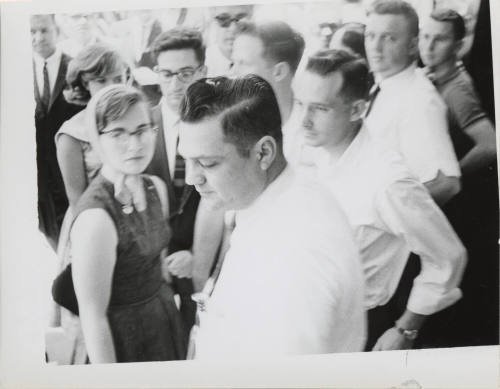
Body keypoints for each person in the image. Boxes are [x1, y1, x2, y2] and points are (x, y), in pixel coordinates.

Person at [289, 49, 466, 351]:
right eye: (300, 104)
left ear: (357, 109)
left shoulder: (388, 181)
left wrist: (405, 329)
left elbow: (448, 257)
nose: (303, 120)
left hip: (357, 328)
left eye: (319, 108)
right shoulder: (311, 151)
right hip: (305, 317)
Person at [178, 75, 366, 358]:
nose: (192, 178)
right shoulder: (264, 198)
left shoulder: (298, 256)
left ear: (263, 153)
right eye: (186, 160)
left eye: (207, 163)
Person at [70, 84, 186, 363]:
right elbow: (93, 318)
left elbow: (156, 263)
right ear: (97, 139)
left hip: (164, 318)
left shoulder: (155, 187)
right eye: (118, 133)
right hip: (124, 338)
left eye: (141, 130)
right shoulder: (96, 219)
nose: (134, 145)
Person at [418, 8, 498, 347]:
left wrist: (455, 173)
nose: (429, 46)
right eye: (425, 36)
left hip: (460, 208)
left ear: (458, 44)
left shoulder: (457, 89)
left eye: (439, 39)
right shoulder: (432, 76)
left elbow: (490, 144)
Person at [364, 0, 461, 207]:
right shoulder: (388, 84)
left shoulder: (418, 100)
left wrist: (382, 217)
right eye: (370, 36)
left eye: (389, 38)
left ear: (412, 45)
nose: (375, 46)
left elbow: (446, 183)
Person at [147, 27, 210, 332]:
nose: (174, 85)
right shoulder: (142, 126)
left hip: (200, 264)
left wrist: (199, 255)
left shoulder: (218, 124)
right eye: (166, 73)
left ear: (203, 72)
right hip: (148, 272)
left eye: (185, 74)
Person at [31, 14, 83, 248]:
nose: (38, 37)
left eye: (44, 30)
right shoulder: (15, 71)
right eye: (32, 32)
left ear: (56, 31)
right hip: (39, 181)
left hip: (72, 174)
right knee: (53, 237)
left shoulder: (75, 68)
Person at [231, 20, 305, 125]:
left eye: (244, 64)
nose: (233, 72)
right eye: (234, 62)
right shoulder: (230, 123)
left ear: (279, 72)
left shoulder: (309, 128)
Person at [205, 5, 254, 77]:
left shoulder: (266, 63)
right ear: (212, 23)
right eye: (223, 19)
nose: (233, 28)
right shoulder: (201, 64)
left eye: (241, 20)